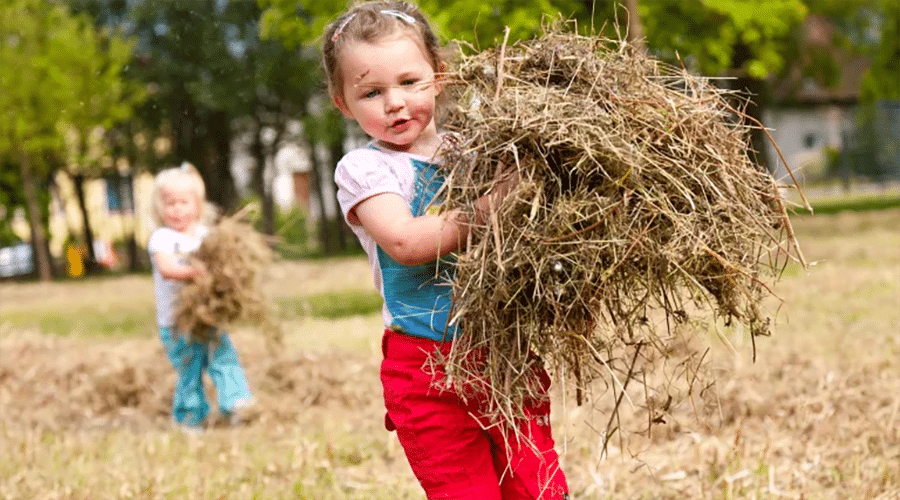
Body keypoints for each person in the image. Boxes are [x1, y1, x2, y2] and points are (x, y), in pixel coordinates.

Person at [322, 2, 569, 498]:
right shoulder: (366, 171)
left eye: (409, 82)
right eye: (372, 92)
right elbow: (406, 241)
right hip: (425, 368)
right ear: (342, 103)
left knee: (537, 485)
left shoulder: (479, 150)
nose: (394, 103)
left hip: (504, 353)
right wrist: (496, 201)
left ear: (439, 76)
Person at [147, 162, 253, 430]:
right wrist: (196, 271)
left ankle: (236, 403)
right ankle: (190, 419)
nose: (177, 209)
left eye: (184, 202)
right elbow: (167, 268)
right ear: (159, 208)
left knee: (223, 357)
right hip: (177, 322)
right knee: (189, 370)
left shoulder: (204, 235)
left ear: (198, 205)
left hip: (208, 315)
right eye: (169, 203)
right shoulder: (162, 238)